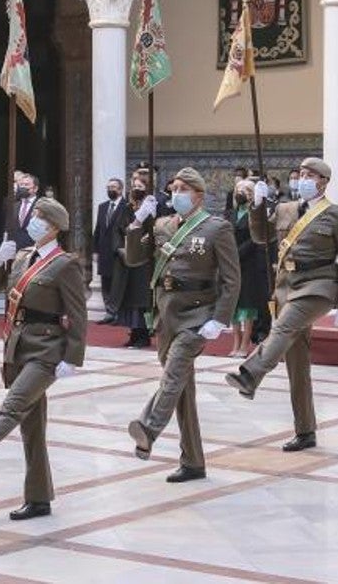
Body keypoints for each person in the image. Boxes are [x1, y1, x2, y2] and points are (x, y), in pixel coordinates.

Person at [0, 198, 85, 520]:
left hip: (47, 351)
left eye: (39, 217)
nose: (33, 221)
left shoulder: (65, 264)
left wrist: (73, 357)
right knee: (32, 430)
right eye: (34, 215)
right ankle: (38, 498)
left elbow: (78, 316)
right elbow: (9, 297)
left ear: (53, 226)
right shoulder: (25, 256)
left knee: (13, 405)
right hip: (19, 347)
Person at [225, 158, 338, 452]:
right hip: (287, 286)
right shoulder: (285, 210)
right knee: (297, 364)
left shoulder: (337, 214)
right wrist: (258, 205)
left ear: (323, 181)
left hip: (319, 286)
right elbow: (261, 236)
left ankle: (250, 374)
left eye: (310, 175)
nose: (303, 179)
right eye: (301, 175)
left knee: (283, 327)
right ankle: (305, 430)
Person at [124, 167, 240, 483]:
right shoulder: (162, 225)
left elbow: (232, 279)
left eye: (183, 189)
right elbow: (134, 258)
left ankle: (149, 427)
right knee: (182, 390)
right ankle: (193, 461)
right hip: (167, 314)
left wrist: (220, 318)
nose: (176, 195)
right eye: (173, 189)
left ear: (199, 195)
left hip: (198, 315)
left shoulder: (217, 228)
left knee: (174, 372)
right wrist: (137, 222)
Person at [111, 173, 151, 349]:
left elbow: (153, 230)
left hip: (144, 261)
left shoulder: (151, 208)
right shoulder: (126, 208)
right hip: (127, 260)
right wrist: (121, 250)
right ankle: (133, 333)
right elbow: (117, 230)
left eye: (140, 187)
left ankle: (143, 334)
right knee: (129, 298)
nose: (136, 190)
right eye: (134, 187)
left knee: (141, 299)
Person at [230, 179, 268, 357]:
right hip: (230, 264)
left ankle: (245, 344)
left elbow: (255, 238)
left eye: (246, 189)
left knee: (247, 306)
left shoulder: (256, 213)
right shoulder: (230, 213)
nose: (241, 192)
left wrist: (237, 254)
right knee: (233, 306)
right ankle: (235, 341)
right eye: (239, 189)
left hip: (248, 263)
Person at [94, 178, 125, 325]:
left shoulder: (126, 206)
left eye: (113, 187)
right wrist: (95, 250)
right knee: (105, 282)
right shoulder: (102, 207)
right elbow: (98, 230)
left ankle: (117, 312)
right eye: (108, 187)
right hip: (104, 250)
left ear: (120, 189)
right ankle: (108, 312)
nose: (110, 190)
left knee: (116, 283)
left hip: (118, 252)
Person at [5, 173, 41, 248]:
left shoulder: (41, 205)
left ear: (35, 188)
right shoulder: (14, 206)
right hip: (16, 251)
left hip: (34, 249)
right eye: (21, 185)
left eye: (26, 185)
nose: (23, 187)